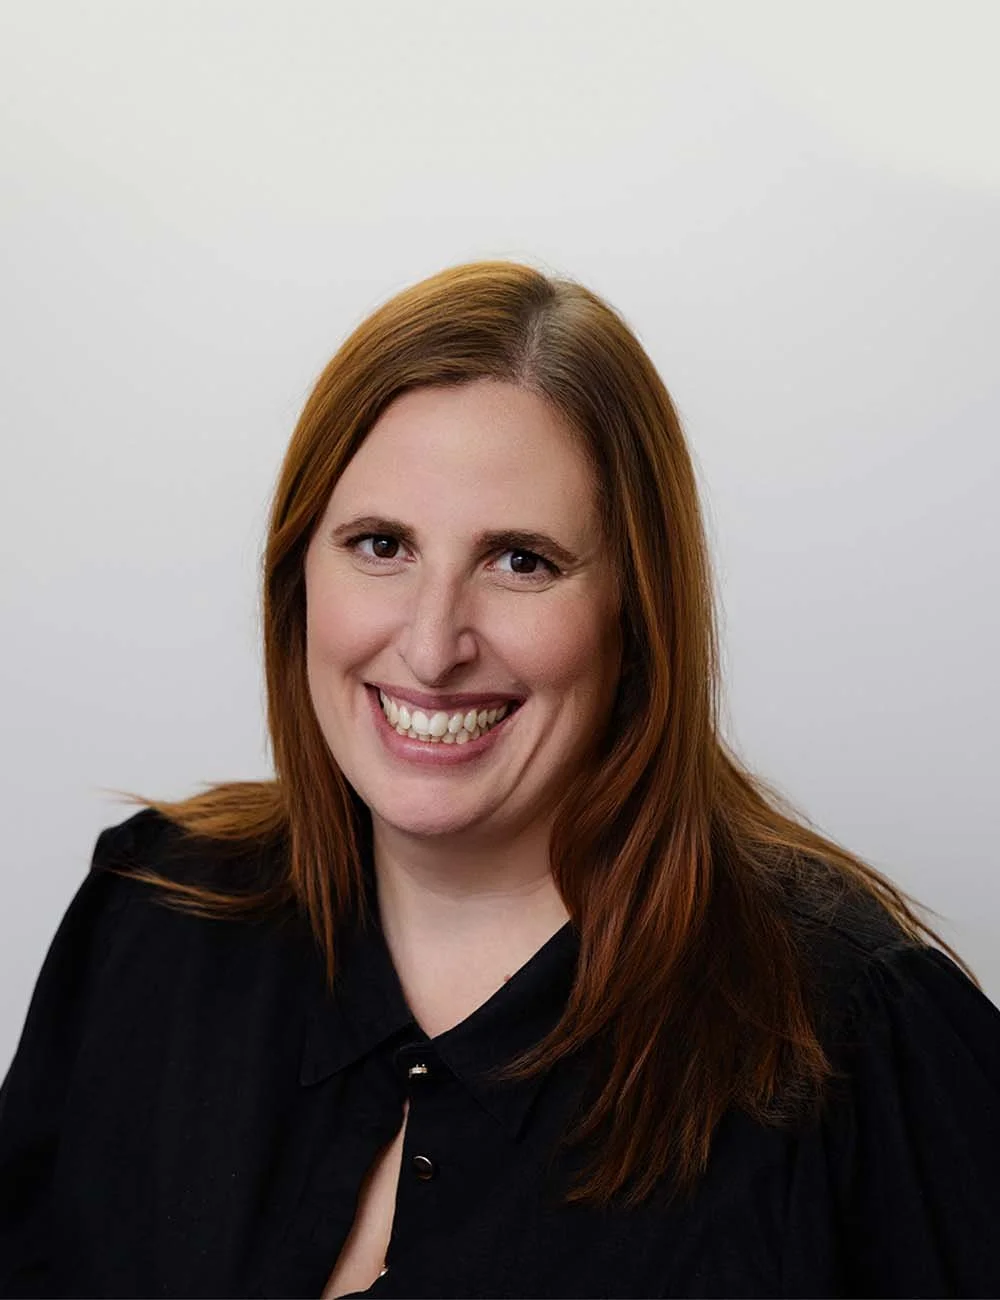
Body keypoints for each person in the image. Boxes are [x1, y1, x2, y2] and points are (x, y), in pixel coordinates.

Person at [1, 261, 998, 1300]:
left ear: (636, 611)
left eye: (519, 560)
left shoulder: (847, 1041)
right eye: (380, 545)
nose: (432, 648)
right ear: (299, 577)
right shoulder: (152, 920)